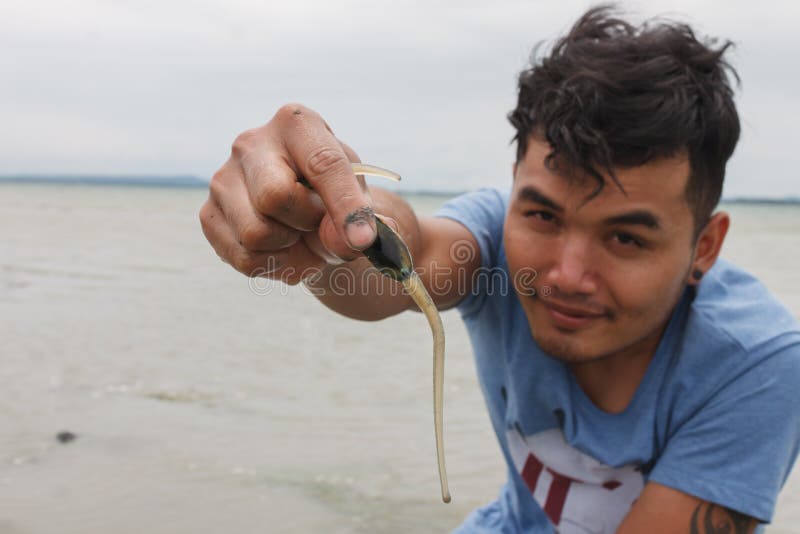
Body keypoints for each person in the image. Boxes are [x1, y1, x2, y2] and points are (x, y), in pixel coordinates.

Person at [199, 6, 800, 533]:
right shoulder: (495, 242)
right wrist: (330, 226)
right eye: (542, 215)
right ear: (512, 193)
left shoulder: (760, 362)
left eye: (624, 237)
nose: (565, 274)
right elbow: (405, 250)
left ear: (704, 247)